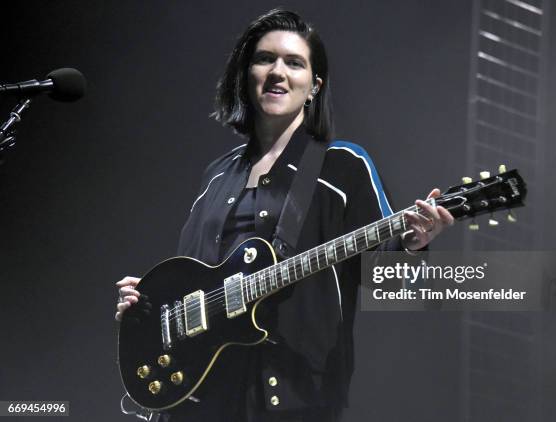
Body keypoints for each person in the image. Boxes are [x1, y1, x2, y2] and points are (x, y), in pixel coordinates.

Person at [115, 8, 453, 422]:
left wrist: (415, 244)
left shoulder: (341, 166)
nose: (278, 72)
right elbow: (190, 277)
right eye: (265, 59)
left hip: (294, 398)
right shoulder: (216, 175)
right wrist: (146, 303)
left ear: (314, 86)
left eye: (294, 63)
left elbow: (392, 283)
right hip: (199, 399)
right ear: (246, 75)